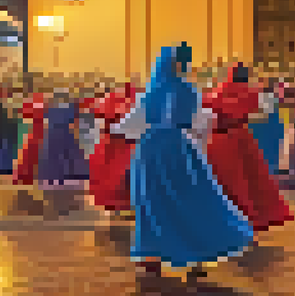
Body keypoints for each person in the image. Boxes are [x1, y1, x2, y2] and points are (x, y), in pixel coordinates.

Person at [114, 44, 255, 278]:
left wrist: (119, 129)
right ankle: (194, 253)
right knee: (189, 198)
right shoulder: (188, 90)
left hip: (149, 149)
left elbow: (131, 125)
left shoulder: (151, 93)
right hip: (177, 147)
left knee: (151, 200)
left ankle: (150, 255)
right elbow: (197, 122)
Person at [204, 63, 294, 232]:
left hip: (216, 141)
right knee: (250, 178)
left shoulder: (216, 92)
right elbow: (263, 113)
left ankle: (221, 215)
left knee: (223, 181)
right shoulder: (249, 92)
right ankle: (251, 213)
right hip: (240, 137)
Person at [89, 83, 138, 215]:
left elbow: (100, 124)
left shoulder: (107, 102)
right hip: (128, 147)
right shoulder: (138, 102)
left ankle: (114, 208)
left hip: (111, 147)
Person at [13, 88, 47, 186]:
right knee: (28, 153)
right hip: (32, 129)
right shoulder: (37, 101)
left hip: (34, 129)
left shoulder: (35, 101)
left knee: (30, 153)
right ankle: (25, 176)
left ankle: (26, 176)